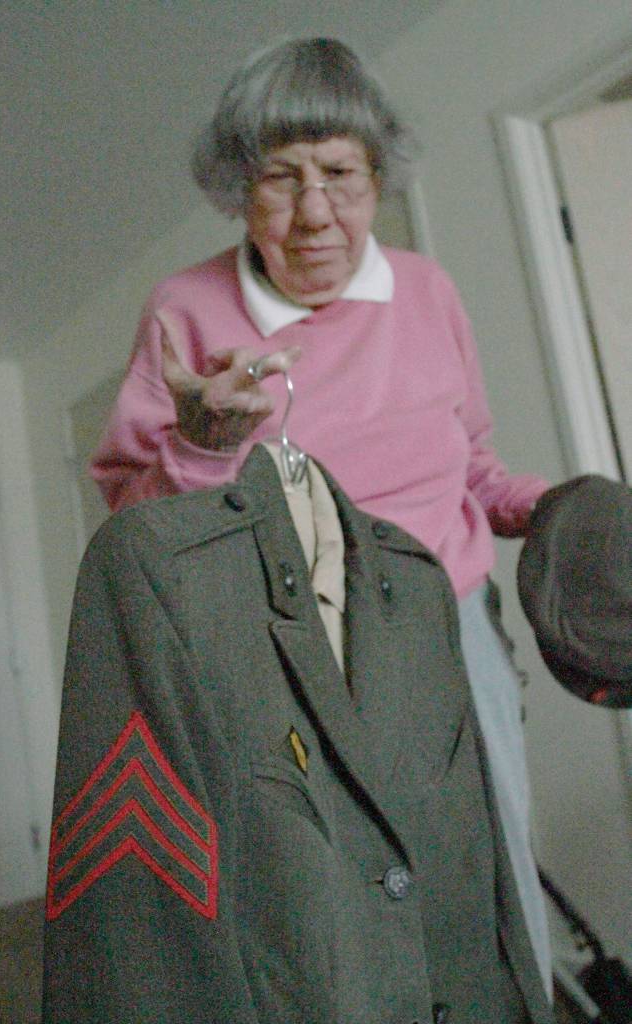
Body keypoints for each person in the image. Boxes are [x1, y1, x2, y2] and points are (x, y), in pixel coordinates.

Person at [90, 36, 553, 996]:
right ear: (236, 187)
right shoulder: (185, 310)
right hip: (289, 652)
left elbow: (470, 467)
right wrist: (203, 444)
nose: (313, 215)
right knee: (324, 909)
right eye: (279, 178)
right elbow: (135, 531)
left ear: (377, 176)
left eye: (339, 175)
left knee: (490, 872)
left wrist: (553, 509)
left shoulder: (426, 291)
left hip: (451, 625)